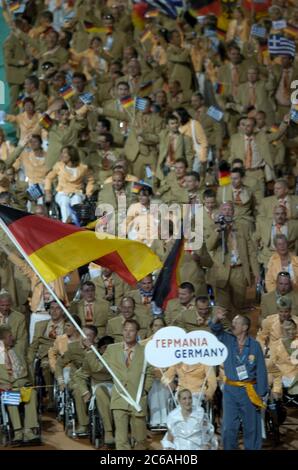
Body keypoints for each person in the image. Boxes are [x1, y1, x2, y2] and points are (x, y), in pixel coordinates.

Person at [209, 308, 268, 450]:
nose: (233, 324)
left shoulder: (254, 346)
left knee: (251, 428)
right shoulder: (228, 339)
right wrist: (217, 318)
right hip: (230, 391)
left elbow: (261, 370)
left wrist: (262, 393)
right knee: (228, 428)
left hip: (249, 391)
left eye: (236, 322)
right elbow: (215, 329)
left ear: (245, 327)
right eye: (233, 322)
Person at [0, 325, 40, 445]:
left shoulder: (15, 350)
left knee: (32, 394)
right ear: (2, 339)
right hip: (5, 387)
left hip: (21, 384)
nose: (12, 338)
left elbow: (24, 368)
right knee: (10, 396)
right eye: (10, 336)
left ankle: (28, 430)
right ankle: (17, 431)